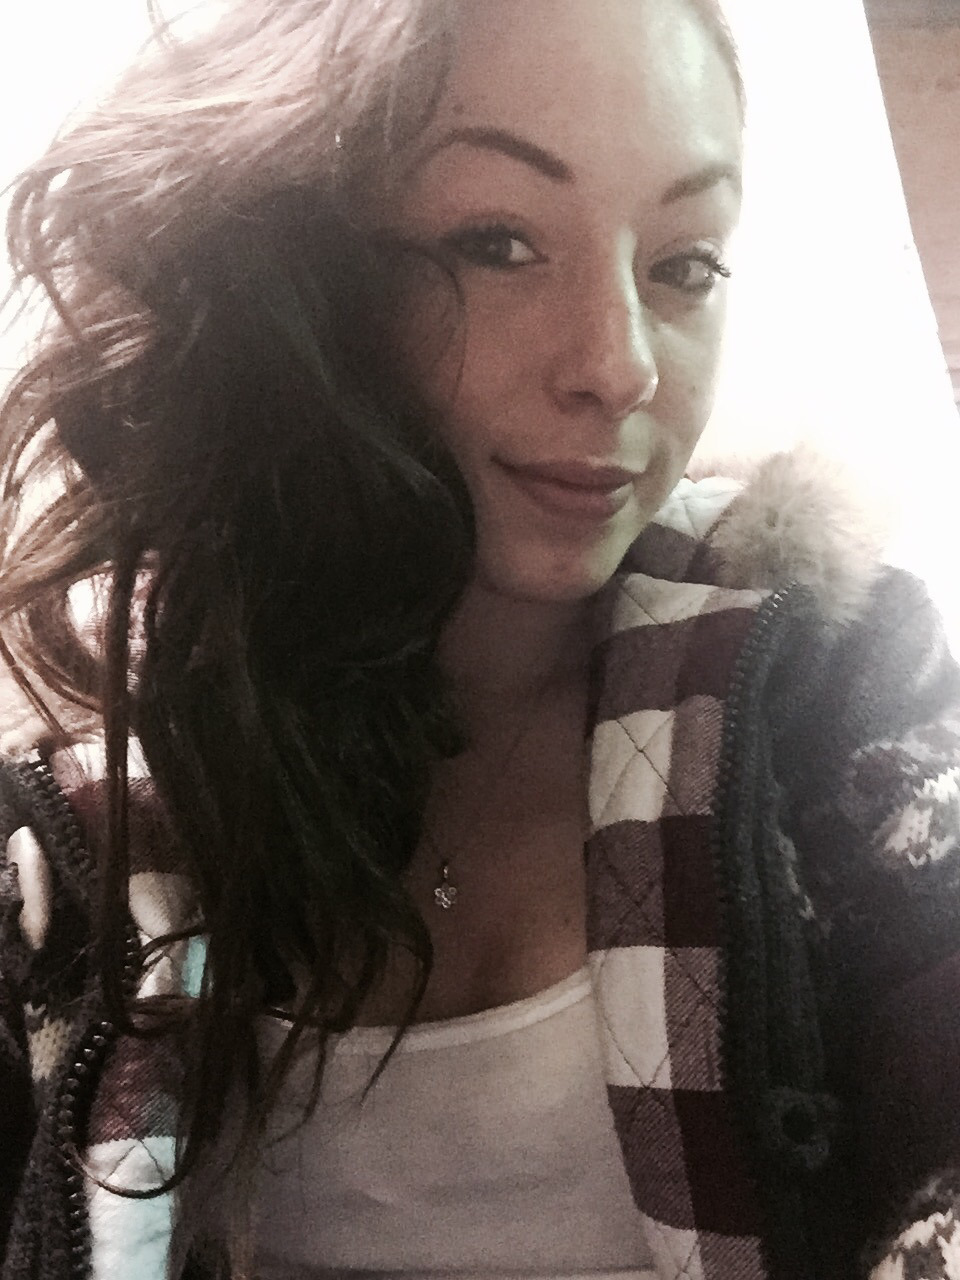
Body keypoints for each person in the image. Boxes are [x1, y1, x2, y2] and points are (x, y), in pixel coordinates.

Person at [0, 0, 958, 1277]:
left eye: (685, 264)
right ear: (296, 271)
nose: (620, 365)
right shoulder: (86, 769)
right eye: (498, 242)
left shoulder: (824, 674)